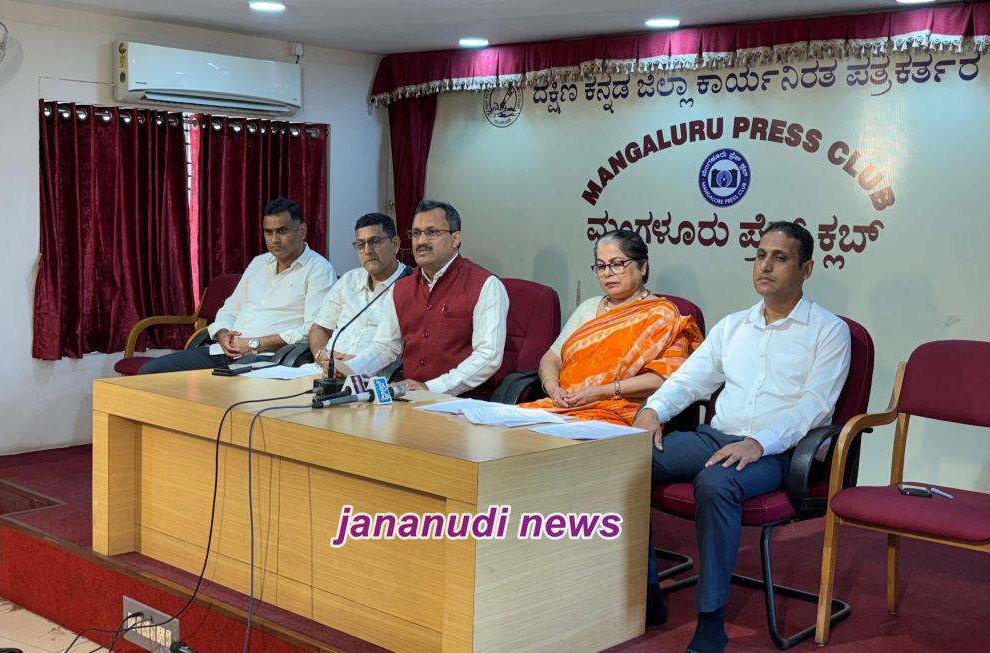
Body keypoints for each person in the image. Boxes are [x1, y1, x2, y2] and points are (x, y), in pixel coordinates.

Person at [633, 221, 850, 653]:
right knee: (623, 460)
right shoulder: (733, 326)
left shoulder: (828, 331)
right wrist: (652, 410)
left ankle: (710, 617)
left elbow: (814, 407)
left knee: (716, 483)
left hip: (779, 452)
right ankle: (647, 588)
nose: (765, 266)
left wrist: (758, 443)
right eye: (760, 255)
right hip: (716, 436)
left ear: (806, 269)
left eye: (780, 258)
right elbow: (690, 380)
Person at [521, 229, 702, 425]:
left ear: (642, 267)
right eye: (601, 266)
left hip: (622, 413)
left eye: (617, 264)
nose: (607, 273)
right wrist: (553, 389)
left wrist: (603, 391)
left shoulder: (662, 315)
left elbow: (666, 377)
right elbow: (551, 359)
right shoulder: (588, 308)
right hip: (566, 407)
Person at [140, 197, 336, 374]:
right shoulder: (259, 263)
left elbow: (314, 328)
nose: (274, 240)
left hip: (268, 357)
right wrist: (223, 334)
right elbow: (229, 311)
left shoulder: (319, 269)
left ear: (302, 231)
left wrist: (255, 344)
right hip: (225, 351)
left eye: (282, 231)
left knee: (223, 384)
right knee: (151, 371)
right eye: (268, 232)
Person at [342, 199, 508, 395]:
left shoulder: (486, 285)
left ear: (455, 238)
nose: (421, 241)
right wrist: (348, 369)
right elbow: (386, 347)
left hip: (462, 402)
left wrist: (432, 388)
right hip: (408, 397)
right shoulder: (401, 287)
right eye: (416, 233)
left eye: (432, 232)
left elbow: (488, 356)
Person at [307, 212, 408, 372]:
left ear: (395, 244)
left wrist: (356, 364)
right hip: (324, 370)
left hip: (370, 375)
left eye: (375, 242)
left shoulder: (410, 286)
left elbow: (403, 348)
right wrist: (321, 355)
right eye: (361, 244)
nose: (367, 251)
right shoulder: (349, 280)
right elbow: (320, 327)